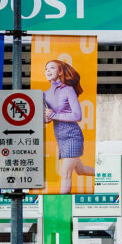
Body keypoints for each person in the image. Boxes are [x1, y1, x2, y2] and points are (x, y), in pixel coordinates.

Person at [43, 59, 95, 194]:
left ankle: (62, 207)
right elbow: (47, 119)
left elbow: (77, 116)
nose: (48, 71)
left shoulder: (68, 90)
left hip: (72, 136)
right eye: (46, 68)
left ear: (60, 72)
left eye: (52, 68)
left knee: (65, 174)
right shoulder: (44, 94)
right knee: (80, 170)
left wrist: (53, 115)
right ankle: (106, 174)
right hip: (60, 138)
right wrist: (46, 118)